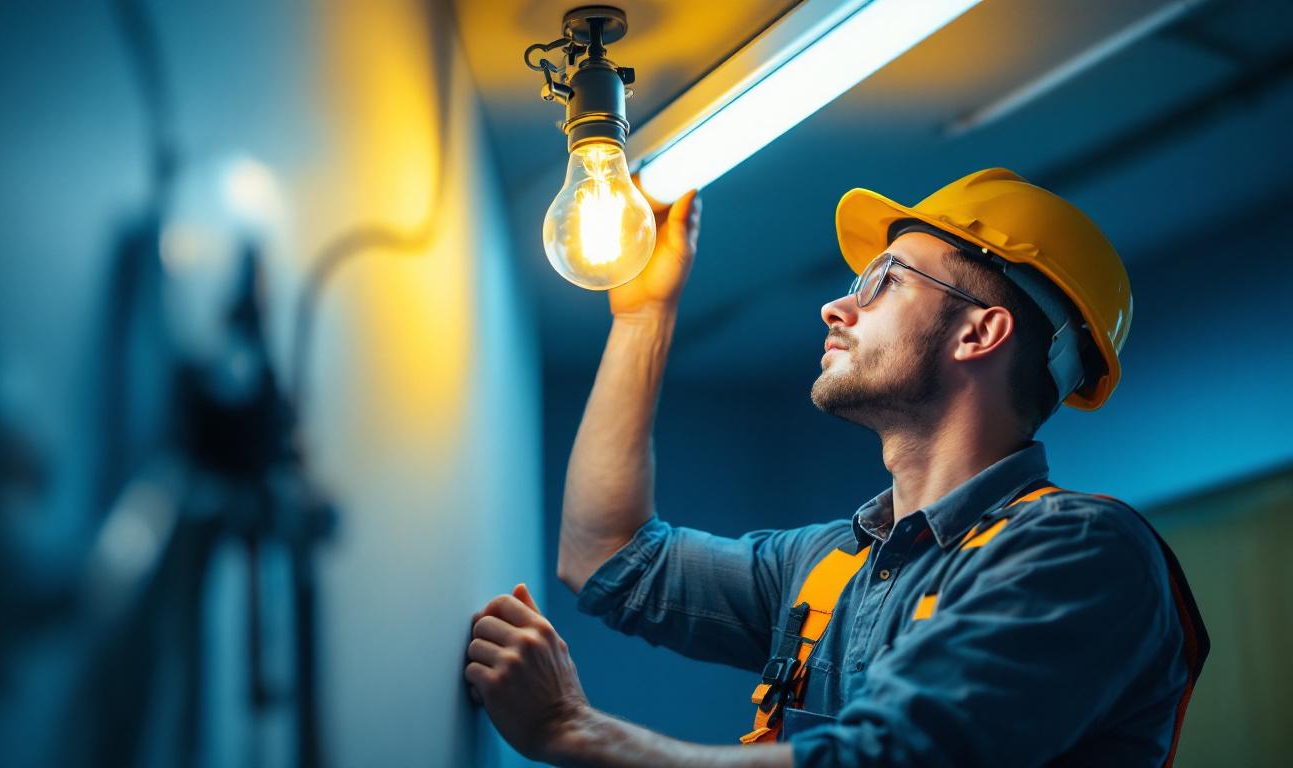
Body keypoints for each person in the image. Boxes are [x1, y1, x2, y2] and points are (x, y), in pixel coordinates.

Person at [464, 168, 1208, 767]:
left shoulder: (1078, 551)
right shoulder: (831, 565)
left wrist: (571, 730)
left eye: (885, 281)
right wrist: (642, 317)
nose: (836, 308)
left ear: (980, 333)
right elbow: (608, 556)